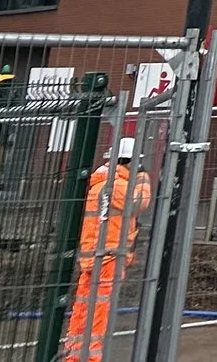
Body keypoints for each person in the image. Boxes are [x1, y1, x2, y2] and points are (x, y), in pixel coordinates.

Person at [62, 138, 149, 361]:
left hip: (95, 255)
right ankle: (91, 357)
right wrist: (143, 178)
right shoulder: (116, 186)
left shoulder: (101, 183)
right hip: (109, 256)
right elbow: (140, 202)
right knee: (100, 309)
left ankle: (74, 354)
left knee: (83, 306)